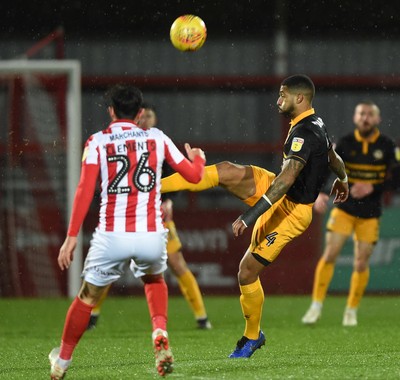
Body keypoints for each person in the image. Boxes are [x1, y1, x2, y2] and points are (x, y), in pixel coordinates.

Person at [161, 74, 349, 358]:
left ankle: (252, 337)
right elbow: (332, 155)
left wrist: (249, 215)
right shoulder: (314, 123)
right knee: (225, 170)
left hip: (292, 211)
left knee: (246, 271)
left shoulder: (303, 133)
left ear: (299, 98)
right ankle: (153, 186)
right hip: (277, 189)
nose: (278, 100)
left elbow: (286, 181)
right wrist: (344, 178)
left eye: (283, 95)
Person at [48, 84, 206, 379]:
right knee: (154, 278)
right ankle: (159, 329)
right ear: (141, 113)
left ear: (110, 111)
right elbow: (195, 176)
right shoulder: (156, 138)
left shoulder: (97, 141)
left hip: (112, 236)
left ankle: (63, 362)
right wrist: (198, 157)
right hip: (150, 234)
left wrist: (71, 236)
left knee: (88, 297)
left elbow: (84, 190)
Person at [87, 103, 212, 331]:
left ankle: (202, 318)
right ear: (136, 117)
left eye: (150, 116)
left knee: (176, 264)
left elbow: (175, 175)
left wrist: (169, 199)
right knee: (111, 268)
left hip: (155, 216)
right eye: (143, 116)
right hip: (127, 218)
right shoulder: (126, 143)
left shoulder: (158, 143)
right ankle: (92, 314)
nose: (146, 120)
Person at [301, 100, 400, 327]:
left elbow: (396, 178)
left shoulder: (387, 146)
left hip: (370, 213)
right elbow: (326, 169)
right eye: (361, 114)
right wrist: (320, 192)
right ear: (355, 118)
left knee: (361, 263)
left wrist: (372, 187)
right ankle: (315, 307)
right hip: (344, 209)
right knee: (330, 254)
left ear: (378, 119)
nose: (365, 118)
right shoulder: (345, 142)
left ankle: (351, 310)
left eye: (369, 114)